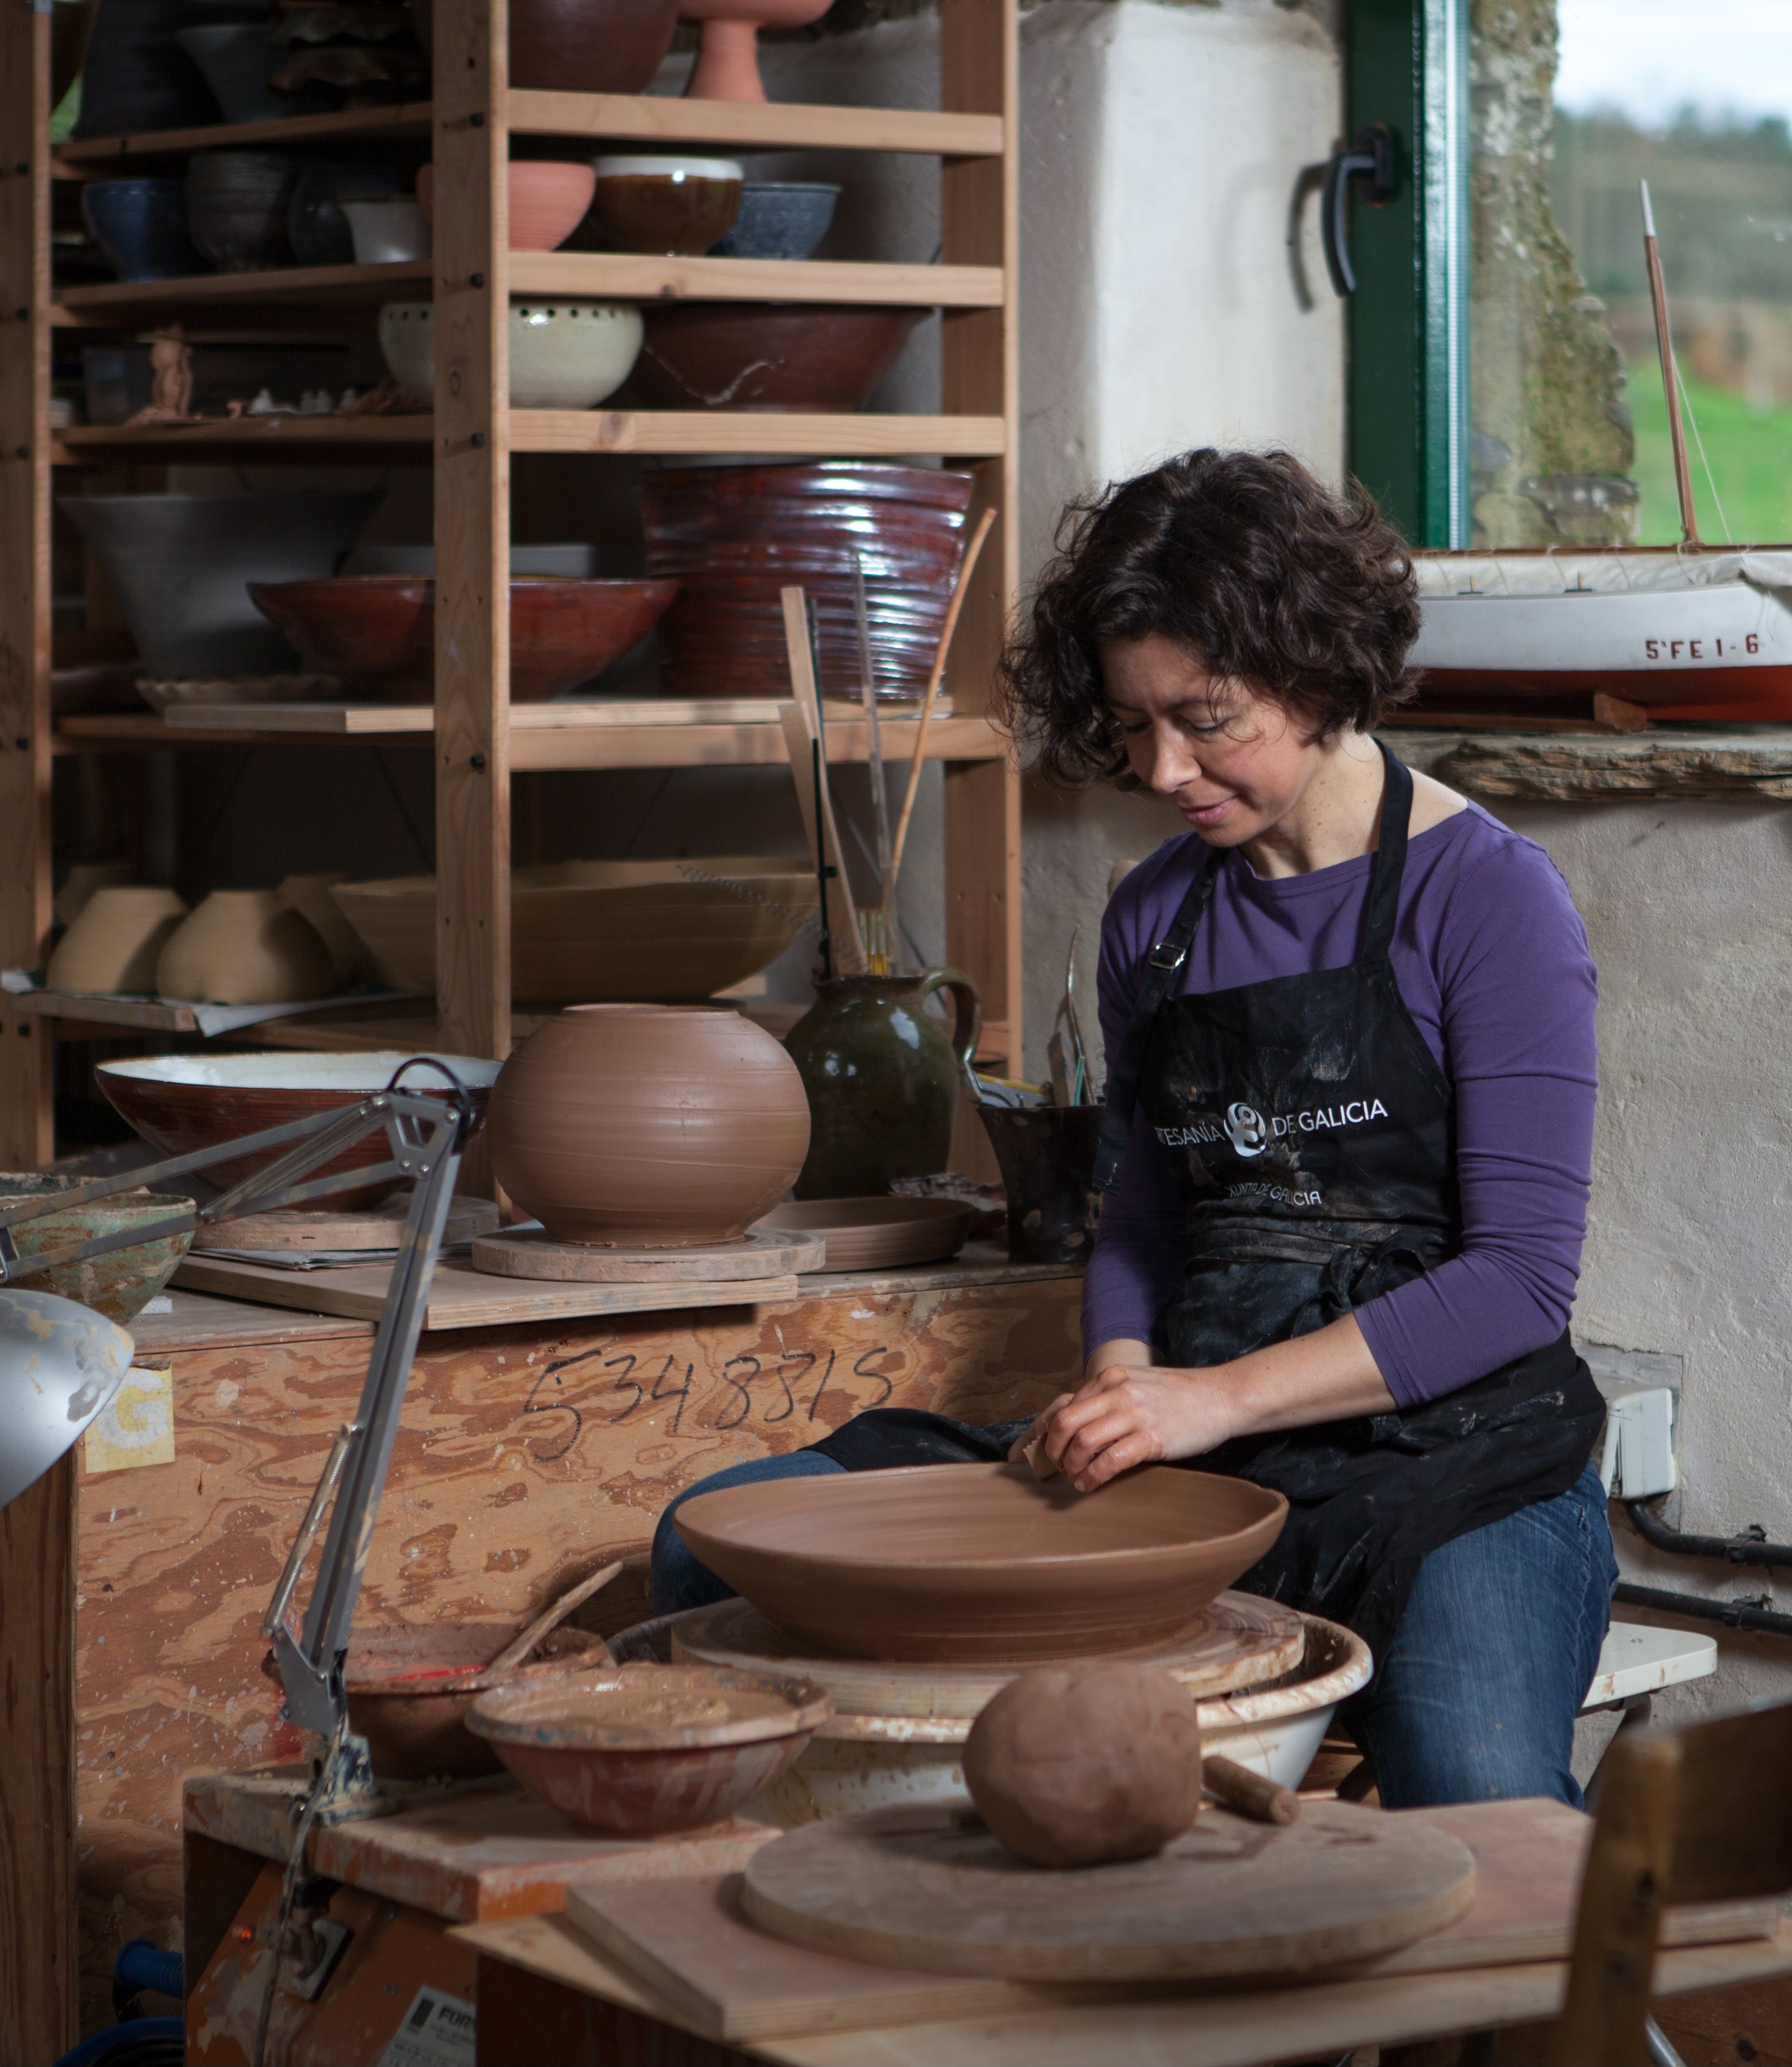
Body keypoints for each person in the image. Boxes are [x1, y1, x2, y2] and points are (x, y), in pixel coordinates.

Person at [650, 449, 1610, 1806]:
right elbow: (1144, 1226)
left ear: (1321, 670)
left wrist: (1205, 1404)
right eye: (1132, 723)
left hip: (1454, 1460)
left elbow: (1518, 1283)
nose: (1163, 767)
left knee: (1474, 1787)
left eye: (1205, 719)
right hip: (1202, 1428)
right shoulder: (1156, 914)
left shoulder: (1491, 899)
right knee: (708, 1544)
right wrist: (1120, 1391)